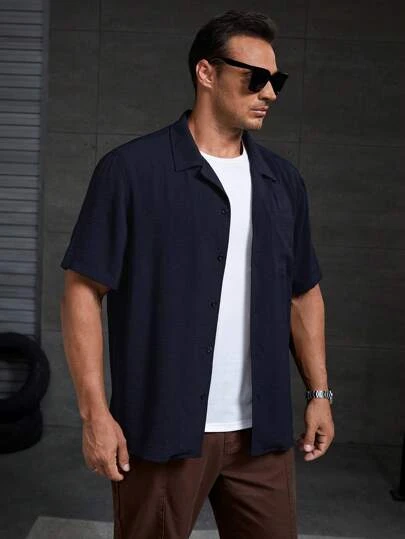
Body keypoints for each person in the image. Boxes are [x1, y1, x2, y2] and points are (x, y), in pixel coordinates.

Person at [60, 9, 335, 539]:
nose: (269, 93)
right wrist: (95, 414)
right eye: (255, 78)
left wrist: (319, 394)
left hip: (262, 434)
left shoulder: (283, 182)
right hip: (160, 429)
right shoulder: (131, 171)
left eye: (275, 80)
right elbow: (83, 290)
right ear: (206, 72)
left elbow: (304, 292)